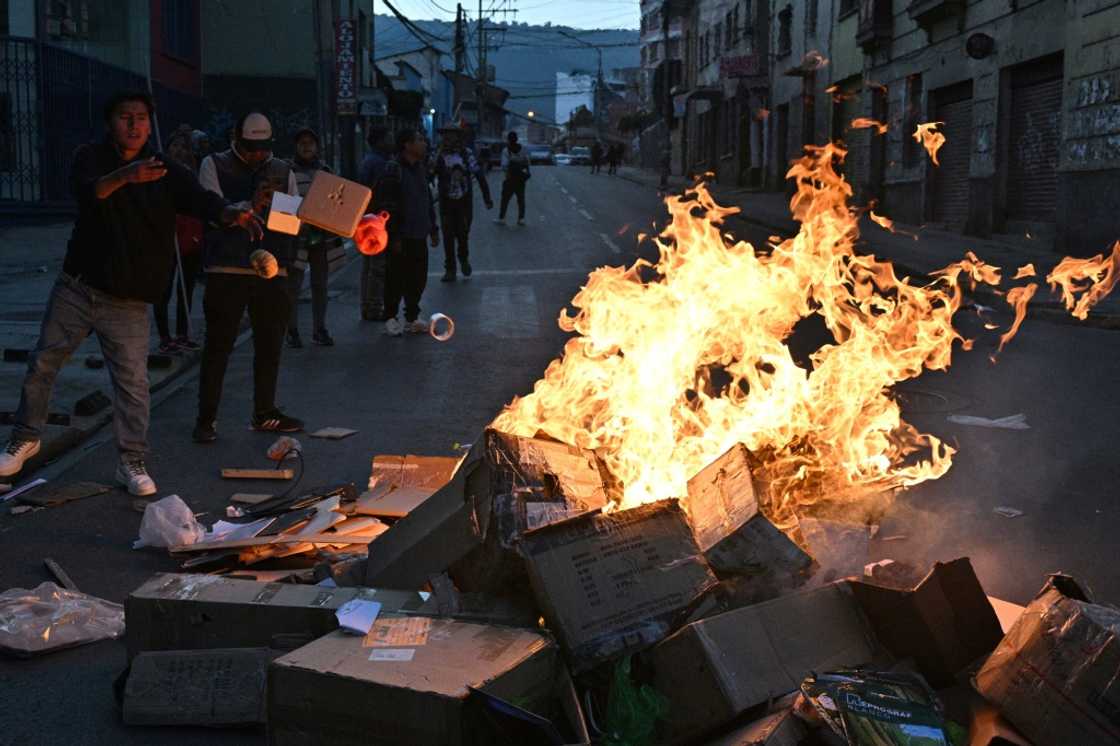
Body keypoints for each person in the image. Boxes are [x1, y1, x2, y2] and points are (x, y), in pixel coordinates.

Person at [0, 91, 260, 494]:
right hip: (78, 286)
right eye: (126, 117)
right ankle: (26, 436)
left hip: (128, 299)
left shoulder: (165, 170)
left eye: (140, 117)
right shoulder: (90, 157)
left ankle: (131, 461)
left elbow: (202, 201)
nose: (134, 125)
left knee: (133, 386)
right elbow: (89, 194)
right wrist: (125, 176)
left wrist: (233, 213)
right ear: (112, 122)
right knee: (43, 362)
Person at [193, 112, 303, 443]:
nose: (258, 155)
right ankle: (206, 418)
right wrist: (252, 204)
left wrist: (282, 214)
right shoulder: (214, 165)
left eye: (263, 148)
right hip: (227, 269)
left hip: (272, 269)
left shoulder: (282, 169)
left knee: (270, 344)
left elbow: (291, 224)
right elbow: (211, 212)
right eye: (251, 147)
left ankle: (265, 412)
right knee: (218, 345)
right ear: (236, 141)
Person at [373, 128, 439, 337]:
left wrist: (433, 228)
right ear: (407, 145)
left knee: (417, 279)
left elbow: (426, 199)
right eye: (419, 140)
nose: (424, 143)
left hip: (419, 234)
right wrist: (394, 236)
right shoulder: (393, 170)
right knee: (395, 278)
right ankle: (391, 317)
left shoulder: (420, 168)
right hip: (401, 236)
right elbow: (387, 206)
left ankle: (412, 317)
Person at [153, 125, 204, 354]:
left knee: (186, 288)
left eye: (183, 146)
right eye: (175, 146)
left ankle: (183, 333)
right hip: (166, 237)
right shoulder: (158, 172)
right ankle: (165, 336)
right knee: (163, 289)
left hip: (190, 236)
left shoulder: (193, 172)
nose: (179, 150)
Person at [285, 128, 337, 347]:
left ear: (317, 146)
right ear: (296, 147)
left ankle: (319, 329)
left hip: (320, 237)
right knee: (293, 285)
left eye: (310, 143)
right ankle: (292, 331)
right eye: (302, 143)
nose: (306, 146)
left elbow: (337, 202)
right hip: (296, 238)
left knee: (320, 285)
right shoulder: (286, 171)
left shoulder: (326, 172)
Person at [432, 124, 493, 282]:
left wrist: (487, 197)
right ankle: (450, 269)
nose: (448, 138)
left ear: (458, 137)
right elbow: (429, 173)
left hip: (464, 204)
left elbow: (479, 175)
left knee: (463, 234)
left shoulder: (467, 155)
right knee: (447, 236)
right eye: (445, 135)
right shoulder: (439, 155)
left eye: (452, 135)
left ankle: (463, 258)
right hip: (446, 203)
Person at [358, 126, 391, 322]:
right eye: (388, 137)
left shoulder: (368, 161)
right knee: (377, 266)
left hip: (366, 219)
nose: (391, 141)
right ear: (379, 141)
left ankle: (368, 305)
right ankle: (374, 307)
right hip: (376, 221)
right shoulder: (379, 163)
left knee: (368, 265)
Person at [495, 131, 530, 227]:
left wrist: (507, 175)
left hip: (510, 179)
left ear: (508, 140)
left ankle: (502, 218)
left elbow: (504, 166)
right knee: (521, 199)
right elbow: (527, 162)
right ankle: (521, 219)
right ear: (517, 139)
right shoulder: (523, 149)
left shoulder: (506, 151)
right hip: (521, 179)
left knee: (505, 199)